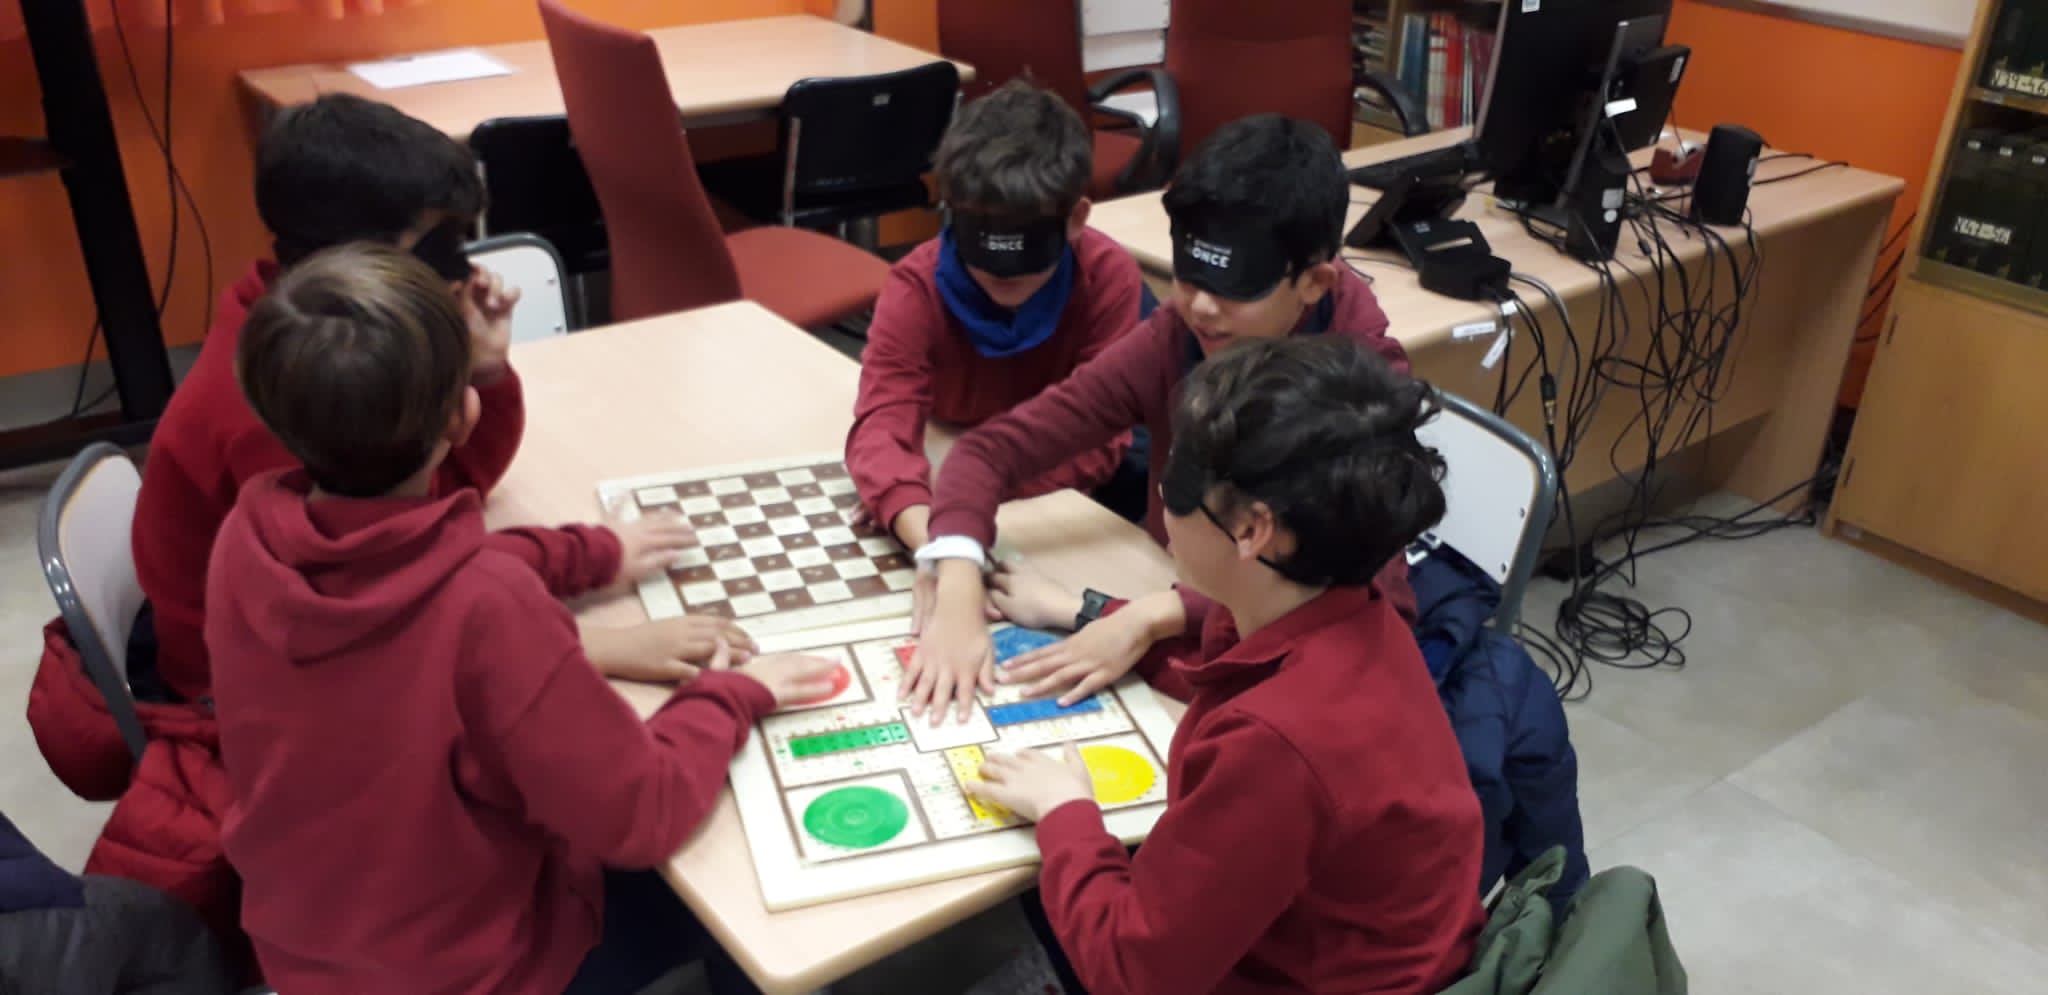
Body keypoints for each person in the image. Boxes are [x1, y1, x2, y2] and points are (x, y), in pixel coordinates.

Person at [207, 243, 842, 995]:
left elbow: (414, 559)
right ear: (462, 414)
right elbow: (645, 812)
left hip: (303, 950)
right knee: (741, 888)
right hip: (471, 974)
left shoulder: (249, 538)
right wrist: (736, 694)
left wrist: (589, 553)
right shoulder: (488, 607)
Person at [132, 92, 735, 708]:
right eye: (434, 247)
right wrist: (606, 646)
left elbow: (435, 510)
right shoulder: (285, 408)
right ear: (357, 258)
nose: (461, 271)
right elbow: (396, 610)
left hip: (334, 622)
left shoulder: (320, 335)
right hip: (256, 691)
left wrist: (484, 370)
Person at [967, 336, 1486, 995]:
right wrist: (1087, 611)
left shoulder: (1279, 746)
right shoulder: (1358, 612)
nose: (1162, 488)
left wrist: (1064, 809)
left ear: (1251, 530)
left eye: (1182, 479)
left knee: (1043, 895)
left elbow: (1132, 972)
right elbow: (1223, 665)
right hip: (1362, 949)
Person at [903, 113, 1416, 722]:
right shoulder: (1179, 335)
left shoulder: (1363, 395)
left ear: (1313, 282)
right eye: (1188, 277)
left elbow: (1359, 608)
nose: (1201, 308)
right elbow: (992, 450)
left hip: (1274, 671)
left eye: (1234, 289)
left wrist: (1134, 614)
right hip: (1181, 599)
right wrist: (958, 578)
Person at [846, 79, 1147, 549]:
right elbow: (882, 420)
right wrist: (906, 504)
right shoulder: (916, 286)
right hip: (951, 451)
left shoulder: (1109, 278)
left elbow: (1098, 441)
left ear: (1076, 219)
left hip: (1043, 479)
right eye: (984, 242)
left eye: (1027, 245)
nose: (1003, 274)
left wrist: (968, 488)